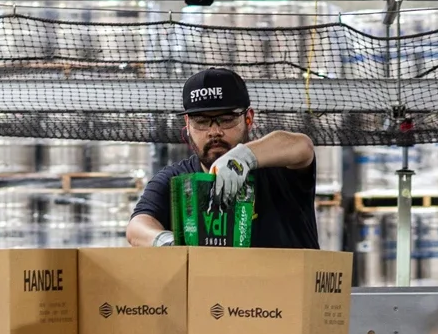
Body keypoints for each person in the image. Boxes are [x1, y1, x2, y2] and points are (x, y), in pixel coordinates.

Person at [126, 67, 320, 249]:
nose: (214, 132)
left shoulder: (278, 169)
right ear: (187, 124)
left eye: (226, 120)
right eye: (201, 122)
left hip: (287, 284)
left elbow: (303, 147)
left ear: (248, 118)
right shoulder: (175, 180)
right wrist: (169, 243)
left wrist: (243, 157)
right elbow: (137, 226)